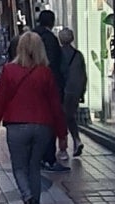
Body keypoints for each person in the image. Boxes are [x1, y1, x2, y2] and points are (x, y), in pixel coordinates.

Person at [0, 32, 66, 204]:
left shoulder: (9, 71)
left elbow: (0, 99)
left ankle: (28, 198)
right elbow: (55, 104)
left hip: (16, 125)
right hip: (42, 126)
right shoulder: (45, 72)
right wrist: (62, 133)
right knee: (34, 168)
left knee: (19, 167)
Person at [32, 10, 69, 172]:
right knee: (50, 121)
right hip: (49, 86)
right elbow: (53, 64)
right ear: (51, 22)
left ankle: (37, 156)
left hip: (31, 86)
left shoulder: (30, 37)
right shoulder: (50, 39)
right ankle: (48, 158)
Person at [58, 28, 86, 159]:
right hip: (75, 90)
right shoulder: (78, 55)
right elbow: (83, 75)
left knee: (62, 118)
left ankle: (63, 147)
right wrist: (82, 92)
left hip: (63, 90)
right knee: (70, 116)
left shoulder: (58, 54)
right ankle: (76, 140)